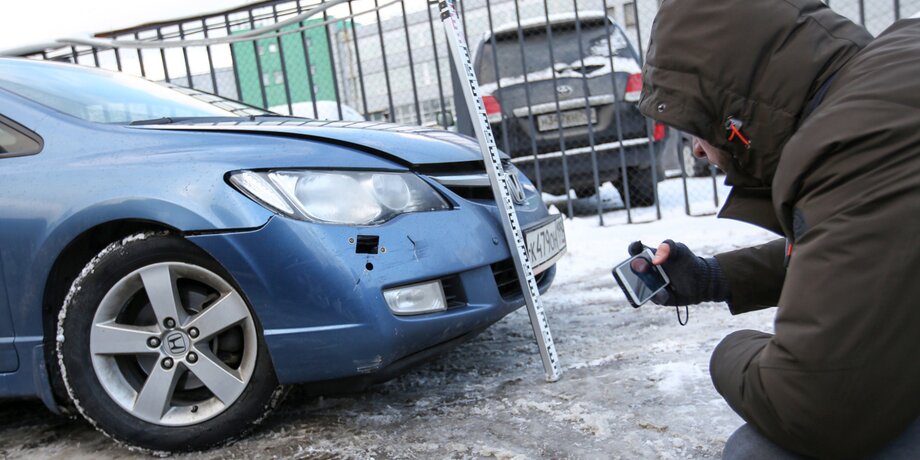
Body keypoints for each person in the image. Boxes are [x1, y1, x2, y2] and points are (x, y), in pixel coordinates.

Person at [630, 0, 920, 458]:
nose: (698, 151)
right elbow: (870, 249)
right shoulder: (890, 80)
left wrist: (727, 352)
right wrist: (713, 277)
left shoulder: (855, 143)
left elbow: (814, 404)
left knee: (758, 452)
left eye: (695, 126)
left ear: (732, 111)